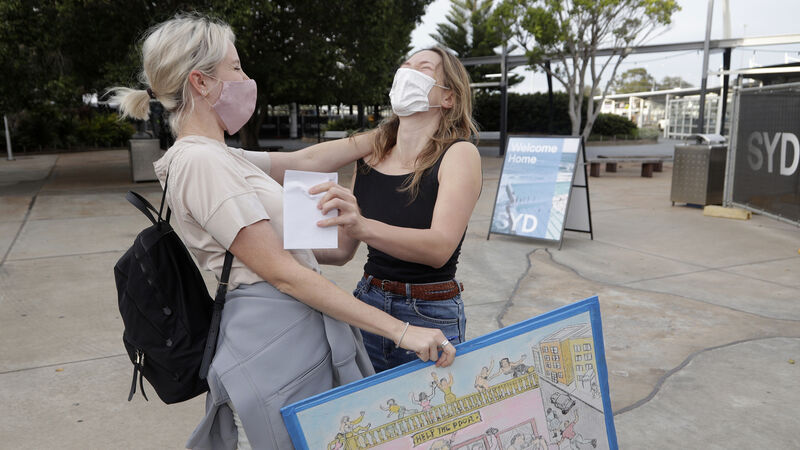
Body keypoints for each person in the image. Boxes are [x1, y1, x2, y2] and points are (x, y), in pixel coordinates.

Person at [110, 13, 455, 449]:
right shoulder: (201, 162)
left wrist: (396, 130)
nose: (245, 79)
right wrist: (403, 331)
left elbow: (308, 162)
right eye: (236, 68)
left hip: (286, 335)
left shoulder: (219, 156)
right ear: (201, 82)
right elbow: (284, 274)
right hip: (273, 341)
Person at [305, 46, 482, 372]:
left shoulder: (459, 154)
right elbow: (342, 250)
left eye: (423, 68)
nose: (408, 72)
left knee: (429, 406)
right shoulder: (371, 154)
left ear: (449, 97)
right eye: (405, 65)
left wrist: (362, 225)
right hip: (368, 303)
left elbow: (439, 248)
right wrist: (276, 245)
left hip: (430, 312)